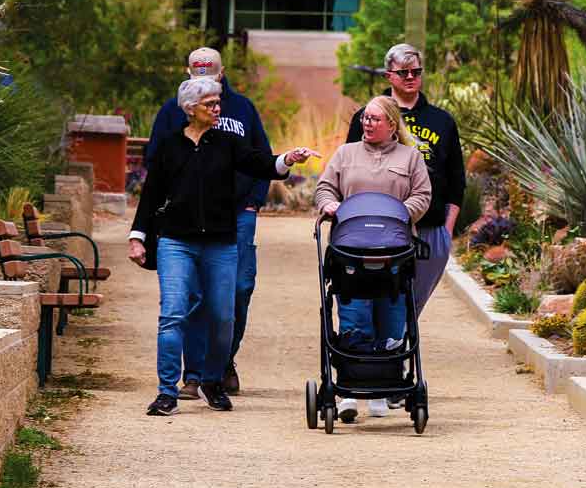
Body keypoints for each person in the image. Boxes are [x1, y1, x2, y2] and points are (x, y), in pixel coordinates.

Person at [131, 77, 316, 417]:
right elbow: (151, 194)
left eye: (218, 103)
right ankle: (166, 391)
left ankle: (212, 380)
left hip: (220, 242)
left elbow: (262, 164)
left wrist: (288, 158)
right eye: (210, 104)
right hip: (176, 241)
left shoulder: (228, 143)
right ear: (190, 108)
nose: (218, 109)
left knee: (222, 317)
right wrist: (138, 236)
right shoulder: (170, 147)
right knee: (172, 314)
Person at [147, 47, 273, 399]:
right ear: (187, 73)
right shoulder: (175, 111)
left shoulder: (243, 109)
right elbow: (155, 162)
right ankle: (194, 374)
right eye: (196, 74)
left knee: (238, 291)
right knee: (192, 296)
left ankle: (222, 363)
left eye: (210, 74)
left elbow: (262, 156)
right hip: (188, 220)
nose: (204, 81)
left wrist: (253, 204)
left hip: (236, 215)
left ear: (222, 73)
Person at [315, 95, 431, 423]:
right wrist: (329, 205)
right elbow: (325, 188)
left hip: (394, 252)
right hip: (350, 252)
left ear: (392, 125)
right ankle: (350, 390)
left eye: (375, 119)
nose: (367, 123)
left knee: (392, 319)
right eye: (365, 118)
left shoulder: (410, 158)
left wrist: (396, 214)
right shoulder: (345, 154)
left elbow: (422, 196)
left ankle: (383, 390)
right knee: (354, 317)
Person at [344, 44, 463, 329]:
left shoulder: (441, 121)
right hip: (379, 227)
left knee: (410, 306)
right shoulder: (368, 116)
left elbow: (456, 179)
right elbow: (347, 166)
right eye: (403, 72)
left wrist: (446, 232)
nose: (411, 77)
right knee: (374, 299)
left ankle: (396, 353)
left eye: (416, 72)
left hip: (429, 229)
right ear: (389, 76)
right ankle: (370, 359)